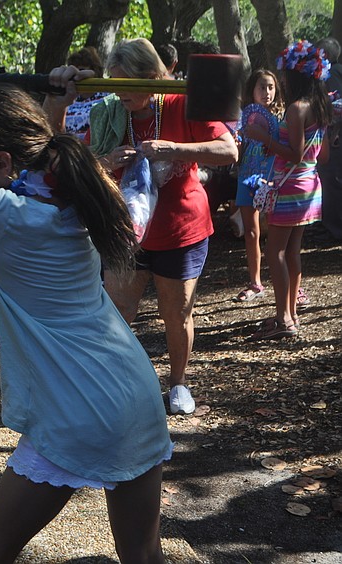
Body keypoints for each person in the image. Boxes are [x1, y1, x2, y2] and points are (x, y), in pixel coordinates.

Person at [0, 62, 173, 564]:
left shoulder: (3, 210)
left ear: (1, 164)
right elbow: (45, 157)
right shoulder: (74, 194)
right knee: (142, 556)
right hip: (132, 389)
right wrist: (55, 107)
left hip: (79, 403)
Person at [85, 38, 238, 415]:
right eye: (114, 84)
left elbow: (229, 150)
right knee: (117, 308)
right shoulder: (108, 113)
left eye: (127, 85)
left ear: (152, 76)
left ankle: (178, 384)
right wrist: (106, 160)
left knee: (176, 312)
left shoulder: (181, 101)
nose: (121, 94)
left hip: (181, 228)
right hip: (128, 231)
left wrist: (176, 149)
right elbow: (85, 166)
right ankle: (118, 381)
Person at [244, 40, 331, 341]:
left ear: (296, 76)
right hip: (309, 187)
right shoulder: (320, 107)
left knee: (275, 251)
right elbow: (323, 156)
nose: (281, 81)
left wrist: (263, 138)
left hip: (290, 189)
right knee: (292, 251)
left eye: (284, 75)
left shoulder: (296, 109)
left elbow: (293, 154)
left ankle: (283, 319)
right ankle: (290, 314)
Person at [232, 70, 285, 303]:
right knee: (251, 231)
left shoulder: (283, 116)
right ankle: (255, 282)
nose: (267, 92)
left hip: (274, 178)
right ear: (251, 90)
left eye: (271, 87)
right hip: (247, 176)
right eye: (262, 87)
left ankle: (286, 281)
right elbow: (238, 151)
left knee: (277, 231)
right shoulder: (243, 117)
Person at [44, 46, 108, 139]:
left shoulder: (108, 97)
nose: (77, 76)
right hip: (69, 149)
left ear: (95, 71)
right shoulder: (66, 99)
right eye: (73, 71)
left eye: (82, 70)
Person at [316, 37, 342, 240]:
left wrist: (333, 133)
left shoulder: (331, 75)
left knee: (331, 181)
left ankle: (333, 229)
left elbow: (336, 105)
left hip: (334, 139)